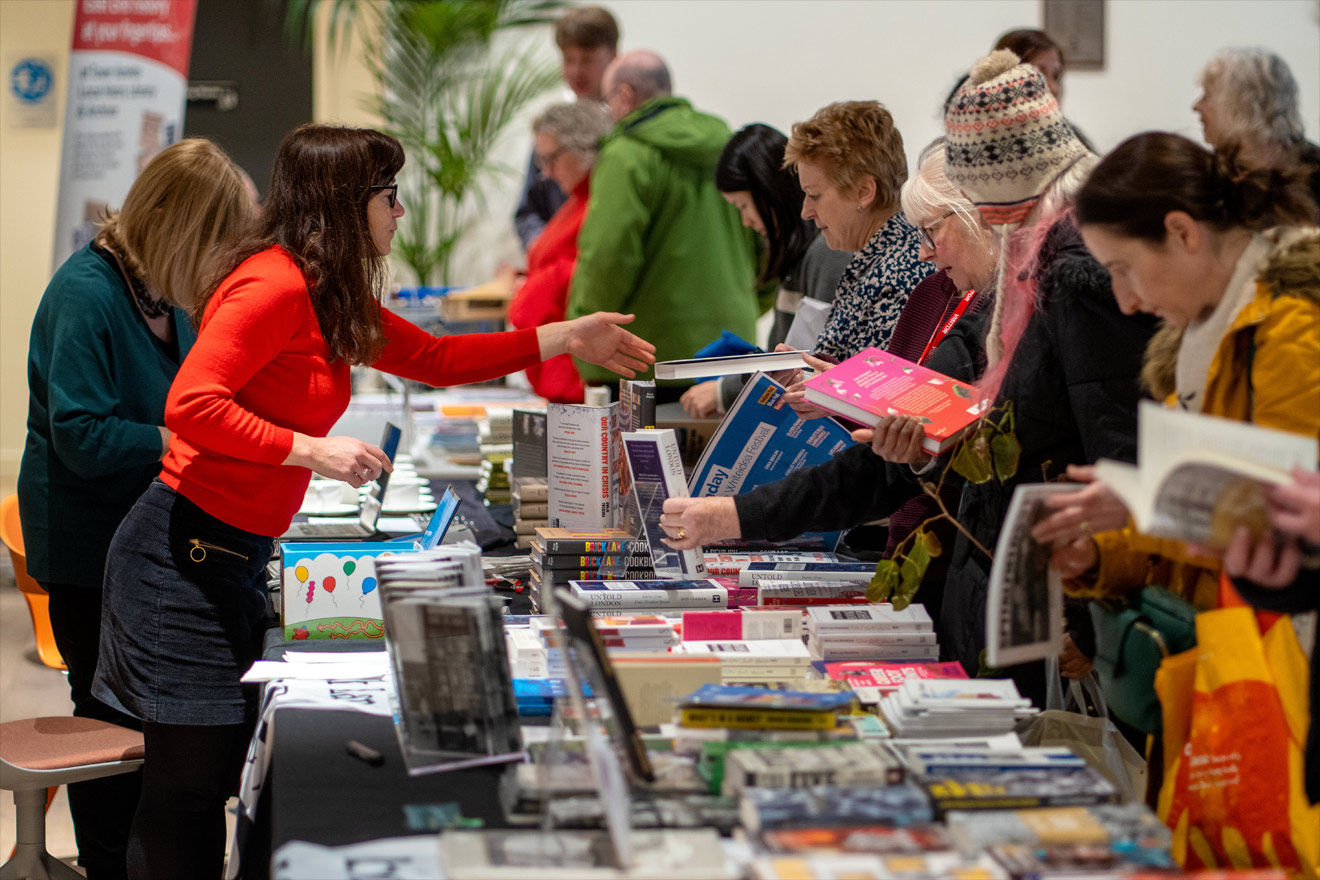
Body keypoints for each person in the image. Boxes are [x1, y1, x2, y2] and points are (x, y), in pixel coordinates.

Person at [90, 124, 654, 879]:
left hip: (229, 551)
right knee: (187, 793)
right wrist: (311, 450)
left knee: (213, 781)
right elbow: (193, 405)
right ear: (343, 203)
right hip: (177, 557)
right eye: (390, 196)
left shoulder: (326, 292)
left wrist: (562, 336)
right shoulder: (275, 284)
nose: (400, 213)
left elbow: (437, 358)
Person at [16, 139, 255, 880]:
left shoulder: (162, 296)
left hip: (149, 535)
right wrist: (183, 432)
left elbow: (197, 392)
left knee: (152, 725)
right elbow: (83, 435)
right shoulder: (87, 295)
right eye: (218, 241)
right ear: (179, 227)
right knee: (108, 718)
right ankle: (110, 865)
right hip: (89, 544)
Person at [660, 137, 995, 621]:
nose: (805, 212)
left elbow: (914, 457)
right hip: (916, 547)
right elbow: (899, 449)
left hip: (943, 556)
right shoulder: (932, 291)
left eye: (815, 196)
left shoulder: (944, 294)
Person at [1033, 132, 1319, 609]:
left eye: (1124, 268)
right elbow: (1195, 542)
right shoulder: (1196, 342)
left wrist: (1145, 502)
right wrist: (1099, 552)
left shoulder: (1291, 328)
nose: (1125, 301)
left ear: (1183, 232)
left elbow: (1286, 532)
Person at [567, 49, 758, 398]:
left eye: (608, 100)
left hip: (648, 355)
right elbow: (767, 239)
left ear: (624, 95)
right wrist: (747, 303)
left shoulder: (627, 154)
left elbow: (608, 255)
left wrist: (584, 327)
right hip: (733, 349)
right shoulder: (728, 146)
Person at [679, 123, 852, 418]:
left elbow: (814, 362)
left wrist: (726, 391)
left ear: (769, 193)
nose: (746, 221)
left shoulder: (826, 253)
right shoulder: (799, 258)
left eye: (743, 206)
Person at [783, 101, 934, 363]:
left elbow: (874, 396)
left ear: (864, 192)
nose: (806, 212)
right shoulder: (877, 258)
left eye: (814, 196)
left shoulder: (900, 278)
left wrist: (808, 385)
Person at [505, 101, 614, 403]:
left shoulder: (602, 203)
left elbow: (591, 272)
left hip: (581, 372)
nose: (547, 173)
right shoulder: (579, 201)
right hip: (565, 365)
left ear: (582, 148)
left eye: (550, 159)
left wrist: (536, 289)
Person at [513, 5, 618, 249]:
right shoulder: (553, 131)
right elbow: (527, 212)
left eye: (587, 60)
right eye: (569, 60)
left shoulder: (626, 128)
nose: (577, 71)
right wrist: (544, 247)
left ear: (613, 56)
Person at [1193, 47, 1320, 208]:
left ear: (1243, 102)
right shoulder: (1209, 182)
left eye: (1206, 95)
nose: (1196, 106)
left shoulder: (1315, 174)